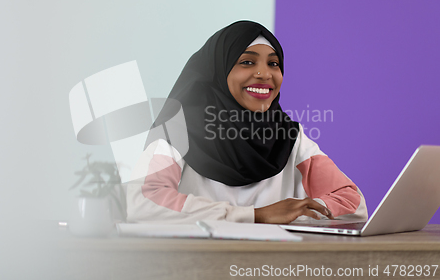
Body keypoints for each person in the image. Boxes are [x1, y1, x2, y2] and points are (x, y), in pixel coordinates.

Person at [126, 21, 367, 224]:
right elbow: (144, 201)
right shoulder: (175, 129)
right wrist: (256, 216)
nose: (265, 74)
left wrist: (294, 213)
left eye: (273, 63)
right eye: (247, 62)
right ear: (218, 71)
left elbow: (352, 204)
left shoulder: (289, 137)